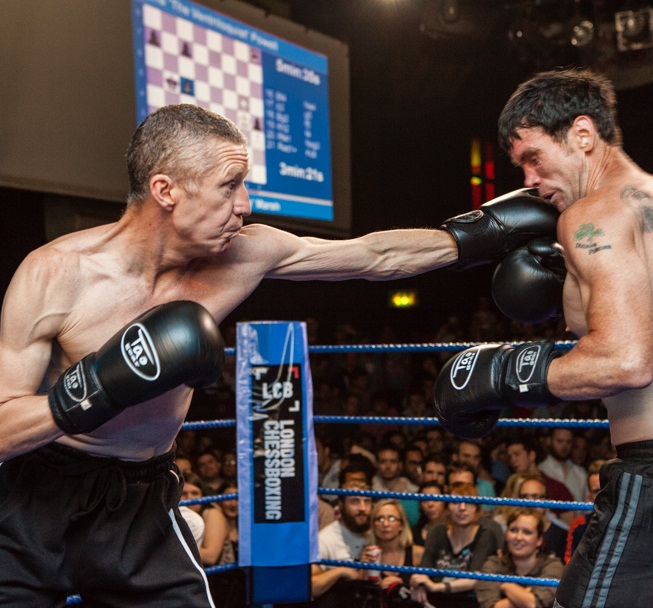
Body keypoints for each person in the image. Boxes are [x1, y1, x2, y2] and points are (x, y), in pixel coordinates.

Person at [0, 102, 557, 607]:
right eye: (229, 185)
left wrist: (479, 236)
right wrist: (93, 387)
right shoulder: (56, 274)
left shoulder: (242, 253)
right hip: (35, 495)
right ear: (166, 190)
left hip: (140, 499)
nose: (244, 204)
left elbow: (373, 255)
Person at [433, 67, 653, 607]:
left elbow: (627, 360)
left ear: (583, 135)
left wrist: (503, 373)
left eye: (533, 157)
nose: (528, 179)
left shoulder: (592, 214)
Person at [410, 482, 498, 608]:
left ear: (476, 508)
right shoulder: (437, 531)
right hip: (435, 601)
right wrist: (419, 584)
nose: (462, 508)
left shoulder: (485, 535)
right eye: (455, 502)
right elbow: (425, 567)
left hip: (468, 602)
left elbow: (475, 578)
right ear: (447, 508)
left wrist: (437, 587)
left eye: (468, 502)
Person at [476, 508, 564, 608]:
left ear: (539, 540)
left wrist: (506, 586)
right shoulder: (492, 564)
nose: (518, 537)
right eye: (514, 530)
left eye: (527, 532)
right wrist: (527, 594)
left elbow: (535, 604)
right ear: (506, 534)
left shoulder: (553, 565)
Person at [369, 499, 424, 600]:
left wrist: (401, 585)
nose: (385, 524)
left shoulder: (418, 553)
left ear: (401, 525)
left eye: (391, 518)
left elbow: (428, 589)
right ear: (373, 525)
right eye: (380, 519)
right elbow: (360, 591)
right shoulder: (369, 554)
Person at [180, 471, 229, 566]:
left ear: (202, 495)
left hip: (219, 577)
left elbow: (210, 557)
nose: (189, 498)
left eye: (195, 493)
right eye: (183, 494)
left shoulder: (212, 514)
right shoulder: (178, 515)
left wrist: (169, 549)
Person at [564, 459, 604, 565]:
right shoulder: (580, 525)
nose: (603, 495)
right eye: (597, 491)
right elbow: (570, 564)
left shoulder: (633, 520)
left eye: (606, 488)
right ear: (589, 497)